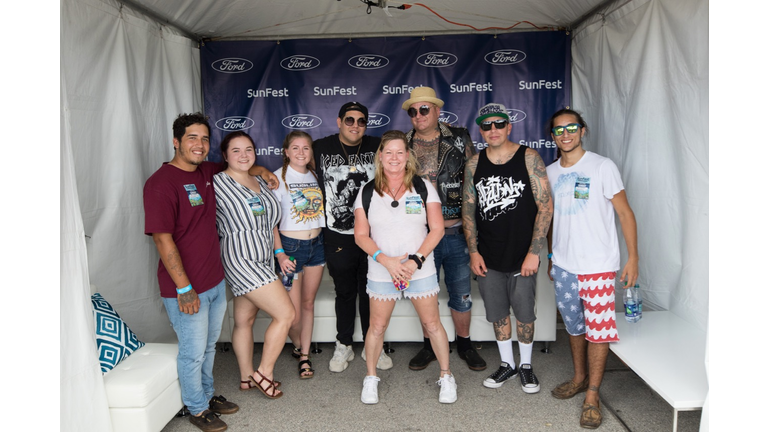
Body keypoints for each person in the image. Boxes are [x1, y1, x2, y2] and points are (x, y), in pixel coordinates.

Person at [144, 113, 277, 432]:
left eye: (204, 139)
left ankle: (204, 394)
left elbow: (241, 166)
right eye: (192, 138)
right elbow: (163, 240)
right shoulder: (160, 184)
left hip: (215, 280)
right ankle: (196, 408)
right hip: (186, 287)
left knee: (207, 347)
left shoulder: (206, 170)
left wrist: (260, 169)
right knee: (192, 352)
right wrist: (183, 287)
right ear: (176, 142)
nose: (199, 145)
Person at [545, 109, 639, 429]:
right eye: (559, 130)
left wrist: (633, 258)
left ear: (582, 130)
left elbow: (625, 213)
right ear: (553, 136)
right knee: (574, 325)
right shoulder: (550, 172)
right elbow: (549, 220)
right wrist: (550, 257)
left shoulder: (602, 166)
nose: (565, 134)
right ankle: (579, 378)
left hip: (598, 265)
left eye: (571, 128)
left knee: (599, 330)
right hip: (564, 265)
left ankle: (593, 395)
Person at [353, 130, 456, 404]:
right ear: (381, 156)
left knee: (432, 323)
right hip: (381, 269)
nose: (394, 158)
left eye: (400, 152)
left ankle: (446, 376)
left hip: (419, 268)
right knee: (376, 326)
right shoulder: (366, 191)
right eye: (389, 152)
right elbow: (361, 235)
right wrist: (385, 260)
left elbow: (436, 230)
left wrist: (415, 260)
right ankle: (371, 377)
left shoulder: (423, 187)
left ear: (408, 156)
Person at [462, 103, 553, 394]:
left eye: (498, 124)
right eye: (487, 126)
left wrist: (534, 251)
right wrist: (474, 251)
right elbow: (468, 210)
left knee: (525, 312)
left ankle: (525, 366)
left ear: (508, 126)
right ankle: (507, 364)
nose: (493, 130)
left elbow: (546, 206)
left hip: (522, 253)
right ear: (481, 130)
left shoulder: (529, 157)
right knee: (497, 312)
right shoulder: (474, 164)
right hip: (488, 255)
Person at [402, 87, 486, 372]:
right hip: (420, 237)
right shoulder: (402, 144)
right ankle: (429, 347)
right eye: (413, 111)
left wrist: (475, 233)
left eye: (424, 109)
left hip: (455, 232)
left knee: (461, 293)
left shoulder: (460, 138)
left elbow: (474, 182)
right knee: (425, 294)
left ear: (437, 111)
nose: (418, 115)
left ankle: (464, 344)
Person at [213, 131, 295, 400]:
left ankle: (247, 377)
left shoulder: (260, 178)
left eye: (248, 149)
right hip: (240, 259)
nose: (243, 155)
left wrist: (280, 253)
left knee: (244, 320)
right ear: (225, 155)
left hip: (263, 258)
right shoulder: (216, 183)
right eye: (235, 150)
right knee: (286, 314)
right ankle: (264, 372)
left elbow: (271, 223)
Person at [313, 102, 392, 372]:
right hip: (338, 235)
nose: (355, 125)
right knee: (345, 292)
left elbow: (404, 154)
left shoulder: (377, 144)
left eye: (360, 121)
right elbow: (293, 161)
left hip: (373, 235)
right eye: (349, 120)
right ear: (338, 122)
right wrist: (262, 171)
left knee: (372, 292)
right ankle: (343, 344)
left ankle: (375, 345)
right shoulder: (320, 147)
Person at [272, 131, 326, 379]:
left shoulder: (316, 175)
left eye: (306, 148)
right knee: (293, 315)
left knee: (307, 304)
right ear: (286, 151)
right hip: (291, 248)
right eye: (295, 148)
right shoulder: (276, 179)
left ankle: (304, 356)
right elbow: (271, 222)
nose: (301, 153)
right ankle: (298, 345)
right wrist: (280, 252)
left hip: (317, 245)